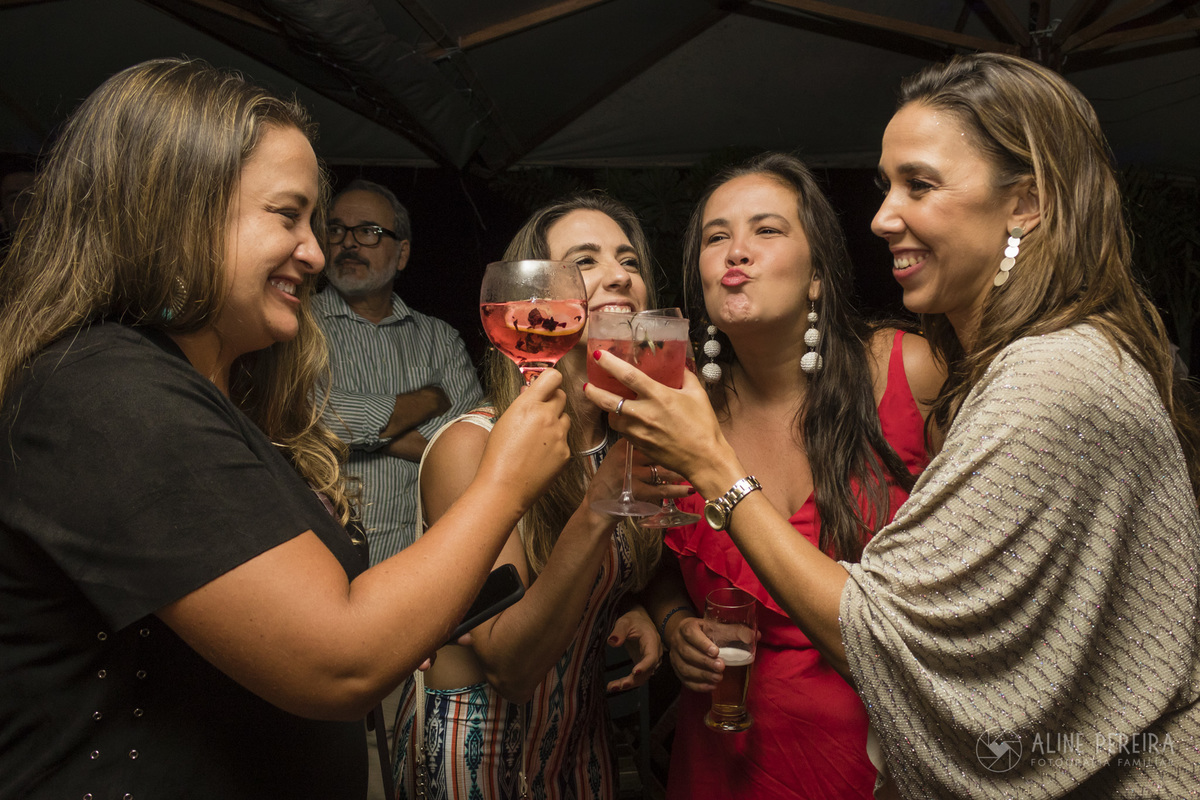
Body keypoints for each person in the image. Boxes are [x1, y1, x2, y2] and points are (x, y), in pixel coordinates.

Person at [590, 53, 1200, 797]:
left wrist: (714, 466)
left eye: (920, 184)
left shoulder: (1048, 378)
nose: (880, 218)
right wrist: (668, 614)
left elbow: (899, 643)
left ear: (1025, 205)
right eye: (887, 187)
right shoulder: (1048, 361)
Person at [0, 58, 570, 799]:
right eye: (287, 215)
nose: (316, 252)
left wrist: (403, 617)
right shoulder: (109, 393)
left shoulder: (215, 392)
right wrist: (504, 485)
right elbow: (340, 661)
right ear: (181, 212)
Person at [624, 152, 943, 799]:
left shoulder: (911, 372)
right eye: (716, 237)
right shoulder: (679, 409)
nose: (736, 251)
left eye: (766, 230)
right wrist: (674, 621)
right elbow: (654, 555)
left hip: (883, 763)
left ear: (818, 275)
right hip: (720, 761)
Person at [393, 194, 671, 800]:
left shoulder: (623, 441)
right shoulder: (473, 445)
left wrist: (638, 607)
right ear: (530, 296)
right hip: (479, 753)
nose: (619, 275)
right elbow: (511, 668)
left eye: (628, 260)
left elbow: (631, 565)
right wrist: (600, 505)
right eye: (586, 261)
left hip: (583, 748)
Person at [316, 179, 484, 564]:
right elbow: (301, 415)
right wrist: (427, 401)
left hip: (424, 563)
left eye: (369, 232)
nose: (349, 243)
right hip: (320, 563)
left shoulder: (440, 339)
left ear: (402, 253)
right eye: (336, 230)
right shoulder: (296, 327)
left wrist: (359, 435)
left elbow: (469, 443)